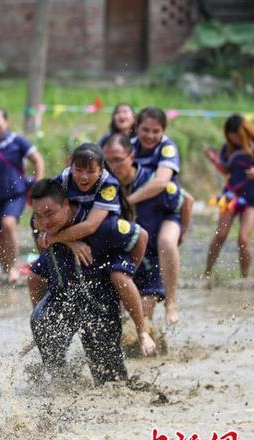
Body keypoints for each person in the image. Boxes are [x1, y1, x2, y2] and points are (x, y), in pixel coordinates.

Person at [27, 179, 155, 384]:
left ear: (66, 205)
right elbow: (35, 276)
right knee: (41, 321)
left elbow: (141, 236)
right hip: (63, 298)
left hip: (99, 307)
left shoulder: (103, 225)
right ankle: (62, 380)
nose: (45, 222)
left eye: (50, 213)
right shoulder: (40, 226)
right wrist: (69, 241)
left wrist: (129, 272)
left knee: (112, 384)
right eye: (39, 215)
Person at [104, 133, 193, 325]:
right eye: (108, 161)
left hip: (152, 262)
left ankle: (154, 342)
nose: (113, 166)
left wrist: (181, 234)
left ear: (132, 157)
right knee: (119, 324)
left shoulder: (153, 183)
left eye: (118, 160)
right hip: (123, 261)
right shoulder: (105, 188)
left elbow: (187, 201)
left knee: (142, 317)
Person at [126, 107, 184, 325]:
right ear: (137, 128)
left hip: (166, 213)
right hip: (139, 217)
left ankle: (171, 302)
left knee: (167, 242)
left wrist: (129, 201)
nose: (150, 135)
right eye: (145, 130)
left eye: (156, 131)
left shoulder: (167, 148)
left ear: (163, 131)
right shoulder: (129, 148)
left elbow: (160, 182)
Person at [204, 114, 254, 278]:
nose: (235, 140)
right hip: (231, 195)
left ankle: (245, 278)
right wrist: (214, 160)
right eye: (232, 137)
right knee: (220, 235)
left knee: (243, 238)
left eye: (238, 136)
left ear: (245, 132)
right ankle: (207, 273)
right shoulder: (228, 147)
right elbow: (226, 170)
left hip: (252, 197)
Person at [0, 107, 45, 283]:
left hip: (16, 194)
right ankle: (6, 270)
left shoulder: (17, 141)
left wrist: (38, 185)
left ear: (6, 121)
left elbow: (38, 159)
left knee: (8, 224)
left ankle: (14, 268)